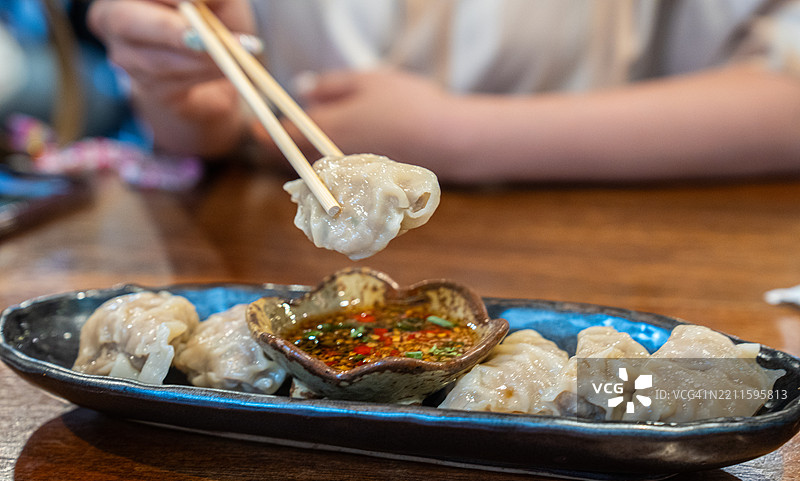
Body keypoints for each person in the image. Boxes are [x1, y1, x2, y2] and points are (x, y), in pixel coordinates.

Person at [86, 0, 800, 184]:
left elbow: (785, 99)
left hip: (602, 243)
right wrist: (178, 97)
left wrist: (456, 136)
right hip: (266, 244)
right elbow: (208, 116)